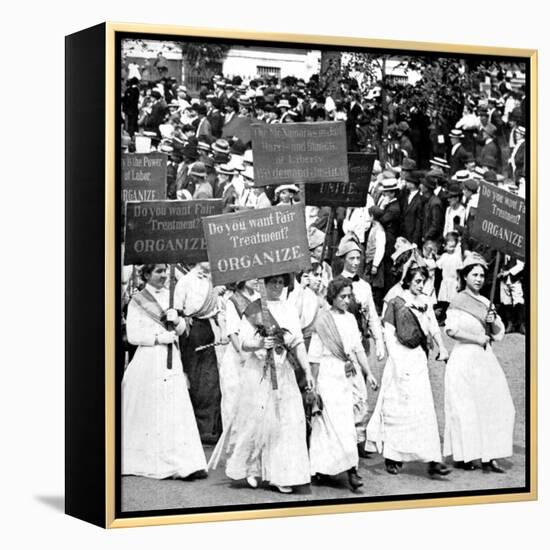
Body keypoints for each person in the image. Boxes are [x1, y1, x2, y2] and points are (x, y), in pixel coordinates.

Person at [208, 274, 314, 494]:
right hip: (259, 371)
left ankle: (282, 474)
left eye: (280, 282)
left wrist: (307, 370)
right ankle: (252, 467)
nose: (277, 286)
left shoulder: (289, 309)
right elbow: (244, 343)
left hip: (283, 371)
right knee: (256, 422)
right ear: (263, 284)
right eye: (272, 281)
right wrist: (259, 343)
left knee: (287, 422)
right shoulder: (254, 309)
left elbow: (297, 342)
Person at [122, 264, 208, 480]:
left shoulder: (171, 297)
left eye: (164, 271)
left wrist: (176, 320)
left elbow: (181, 331)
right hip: (149, 359)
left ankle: (182, 462)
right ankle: (153, 460)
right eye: (158, 271)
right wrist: (158, 338)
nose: (163, 276)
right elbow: (132, 335)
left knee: (174, 406)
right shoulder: (138, 300)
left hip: (172, 359)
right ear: (147, 274)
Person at [366, 263, 450, 478]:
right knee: (399, 407)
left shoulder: (425, 303)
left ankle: (432, 459)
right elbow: (389, 335)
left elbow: (432, 327)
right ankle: (393, 456)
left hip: (418, 359)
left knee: (423, 408)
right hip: (400, 361)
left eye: (424, 281)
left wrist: (441, 346)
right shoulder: (396, 303)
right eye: (418, 281)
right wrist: (399, 363)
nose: (421, 285)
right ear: (408, 281)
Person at [443, 253, 515, 472]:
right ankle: (465, 455)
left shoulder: (486, 301)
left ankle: (490, 454)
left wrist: (492, 324)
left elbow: (499, 332)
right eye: (474, 274)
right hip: (464, 359)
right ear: (465, 276)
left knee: (495, 403)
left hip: (485, 359)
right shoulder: (457, 300)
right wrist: (476, 338)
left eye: (482, 275)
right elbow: (452, 330)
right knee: (465, 407)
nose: (479, 279)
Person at [308, 277, 379, 491]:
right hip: (327, 376)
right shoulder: (322, 320)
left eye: (349, 296)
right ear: (333, 297)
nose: (347, 300)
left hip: (345, 377)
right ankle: (324, 468)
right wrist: (313, 387)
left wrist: (369, 373)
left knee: (346, 424)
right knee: (329, 425)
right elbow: (314, 357)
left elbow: (357, 349)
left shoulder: (350, 319)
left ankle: (351, 468)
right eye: (342, 297)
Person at [336, 235, 385, 458]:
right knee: (344, 392)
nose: (355, 262)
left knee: (361, 392)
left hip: (362, 344)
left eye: (358, 258)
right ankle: (343, 438)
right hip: (342, 345)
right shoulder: (335, 283)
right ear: (343, 259)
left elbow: (373, 316)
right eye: (351, 258)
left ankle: (359, 440)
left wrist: (380, 342)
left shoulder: (364, 286)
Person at [174, 262, 224, 445]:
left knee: (210, 381)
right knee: (195, 380)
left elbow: (216, 311)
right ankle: (197, 427)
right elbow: (178, 309)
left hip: (207, 328)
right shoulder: (185, 281)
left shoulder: (212, 280)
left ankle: (209, 428)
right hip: (190, 330)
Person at [219, 279, 260, 428]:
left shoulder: (259, 297)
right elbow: (232, 332)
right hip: (238, 356)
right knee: (234, 400)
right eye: (252, 276)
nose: (256, 279)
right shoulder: (233, 300)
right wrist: (242, 354)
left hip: (256, 352)